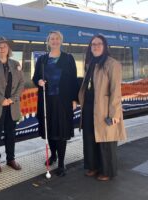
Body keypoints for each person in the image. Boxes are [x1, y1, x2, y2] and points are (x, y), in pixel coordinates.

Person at [78, 35, 127, 181]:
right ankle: (93, 166)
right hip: (89, 107)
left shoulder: (112, 64)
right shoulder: (91, 62)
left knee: (106, 140)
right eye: (93, 44)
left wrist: (114, 113)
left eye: (99, 44)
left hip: (104, 108)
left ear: (105, 46)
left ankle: (107, 171)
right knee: (90, 137)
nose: (96, 46)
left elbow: (115, 91)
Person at [32, 31, 79, 177]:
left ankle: (61, 163)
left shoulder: (68, 58)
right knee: (50, 131)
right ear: (48, 41)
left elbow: (73, 80)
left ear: (61, 41)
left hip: (63, 101)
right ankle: (53, 155)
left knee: (61, 131)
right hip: (47, 102)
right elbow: (35, 78)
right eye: (52, 38)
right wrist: (39, 82)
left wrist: (74, 99)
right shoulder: (42, 60)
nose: (55, 41)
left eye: (57, 38)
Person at [0, 37, 25, 173]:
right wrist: (1, 99)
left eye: (5, 47)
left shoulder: (15, 64)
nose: (2, 49)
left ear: (9, 49)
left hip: (12, 106)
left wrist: (13, 99)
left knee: (11, 134)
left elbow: (21, 83)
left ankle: (10, 159)